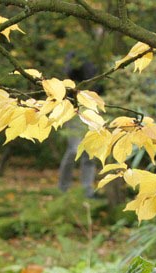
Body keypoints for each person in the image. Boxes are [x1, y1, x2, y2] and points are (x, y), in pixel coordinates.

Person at [57, 54, 100, 196]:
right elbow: (68, 74)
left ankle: (87, 190)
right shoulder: (75, 53)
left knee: (89, 152)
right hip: (74, 108)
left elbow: (100, 86)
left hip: (92, 107)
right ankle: (63, 188)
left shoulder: (98, 52)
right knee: (74, 150)